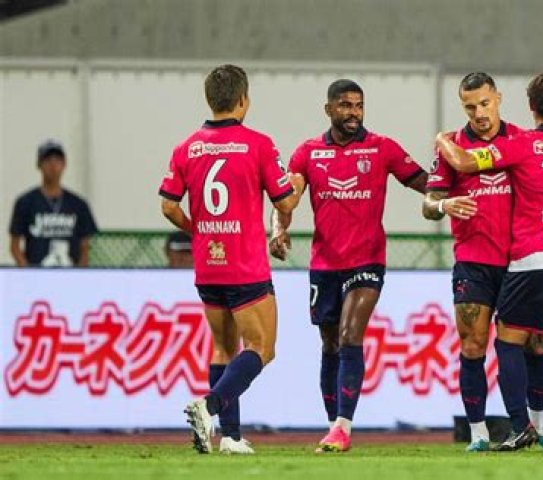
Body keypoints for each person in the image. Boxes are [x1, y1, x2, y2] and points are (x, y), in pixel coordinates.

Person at [436, 73, 543, 452]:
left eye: (484, 103)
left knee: (513, 343)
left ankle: (523, 426)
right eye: (470, 106)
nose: (479, 112)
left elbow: (465, 161)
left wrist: (442, 141)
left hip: (529, 259)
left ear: (523, 104)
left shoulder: (521, 143)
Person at [270, 79, 427, 452]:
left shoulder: (383, 148)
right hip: (325, 263)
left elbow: (425, 182)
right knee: (329, 344)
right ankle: (333, 427)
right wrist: (277, 228)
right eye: (345, 105)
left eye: (358, 105)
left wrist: (456, 189)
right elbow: (287, 199)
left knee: (349, 335)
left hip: (367, 260)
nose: (353, 112)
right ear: (329, 109)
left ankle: (343, 427)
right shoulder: (308, 153)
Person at [158, 64, 304, 455]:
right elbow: (285, 202)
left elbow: (168, 206)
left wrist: (198, 229)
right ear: (243, 99)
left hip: (208, 263)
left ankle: (231, 436)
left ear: (210, 99)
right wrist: (297, 182)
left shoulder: (187, 148)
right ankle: (209, 407)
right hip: (245, 263)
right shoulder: (258, 144)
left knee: (223, 349)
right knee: (262, 348)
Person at [9, 140, 98, 267]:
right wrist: (28, 272)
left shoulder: (78, 205)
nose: (53, 166)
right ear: (39, 165)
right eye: (48, 161)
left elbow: (85, 247)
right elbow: (15, 246)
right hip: (37, 272)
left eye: (57, 160)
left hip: (69, 273)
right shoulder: (25, 202)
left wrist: (79, 273)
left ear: (64, 164)